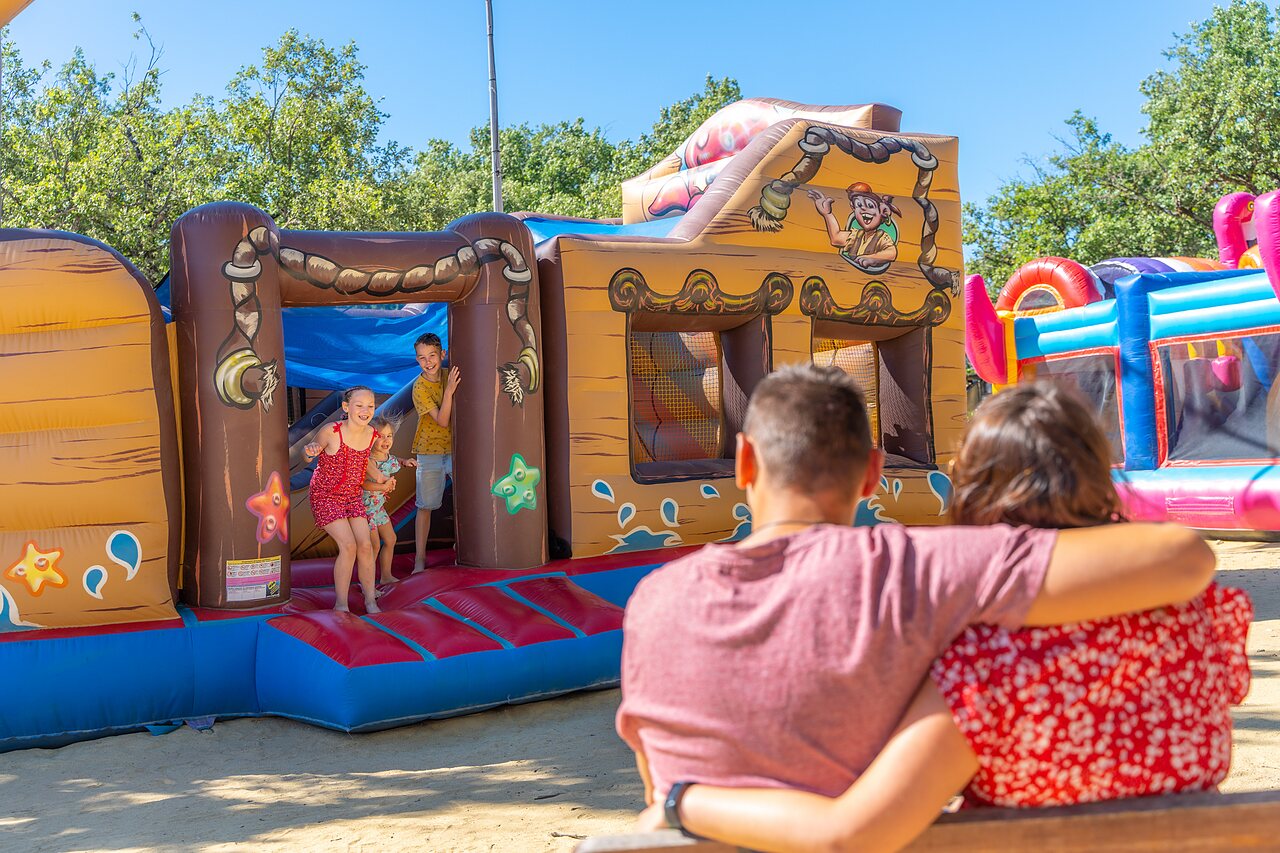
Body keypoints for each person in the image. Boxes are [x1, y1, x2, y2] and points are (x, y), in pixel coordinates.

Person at [629, 380, 1251, 853]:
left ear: (744, 463)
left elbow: (853, 831)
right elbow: (1181, 554)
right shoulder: (1199, 621)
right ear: (874, 473)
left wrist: (682, 798)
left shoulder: (650, 600)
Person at [303, 386, 387, 614]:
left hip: (352, 497)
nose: (365, 410)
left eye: (370, 406)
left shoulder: (371, 434)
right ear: (346, 407)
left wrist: (378, 476)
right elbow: (310, 450)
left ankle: (370, 600)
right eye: (359, 405)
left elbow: (362, 459)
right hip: (325, 496)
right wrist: (309, 450)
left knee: (366, 546)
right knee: (348, 545)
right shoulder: (332, 431)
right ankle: (341, 605)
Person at [410, 333, 461, 574]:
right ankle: (420, 558)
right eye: (422, 358)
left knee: (465, 499)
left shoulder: (448, 373)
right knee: (426, 505)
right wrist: (449, 391)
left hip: (455, 447)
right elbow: (441, 420)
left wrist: (450, 385)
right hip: (429, 449)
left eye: (432, 356)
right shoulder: (420, 387)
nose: (428, 362)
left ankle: (462, 547)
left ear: (442, 354)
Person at [362, 416, 417, 587]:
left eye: (389, 435)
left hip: (378, 509)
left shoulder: (387, 456)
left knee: (391, 539)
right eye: (381, 436)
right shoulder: (369, 461)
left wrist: (405, 461)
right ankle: (368, 585)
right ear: (370, 439)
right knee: (374, 546)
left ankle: (386, 576)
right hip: (366, 510)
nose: (386, 440)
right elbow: (363, 484)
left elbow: (395, 460)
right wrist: (382, 487)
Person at [808, 182, 901, 272]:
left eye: (870, 205)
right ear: (853, 208)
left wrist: (872, 259)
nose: (863, 209)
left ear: (883, 212)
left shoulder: (882, 237)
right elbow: (836, 238)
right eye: (859, 205)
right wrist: (827, 214)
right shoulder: (856, 235)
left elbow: (892, 253)